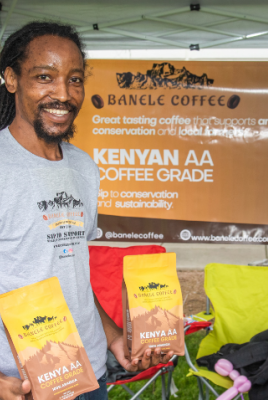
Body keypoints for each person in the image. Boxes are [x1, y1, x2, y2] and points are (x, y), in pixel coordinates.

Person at [0, 22, 173, 400]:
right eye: (44, 76)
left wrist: (112, 337)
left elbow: (72, 271)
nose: (63, 94)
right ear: (11, 79)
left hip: (88, 374)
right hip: (19, 383)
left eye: (74, 79)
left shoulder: (83, 168)